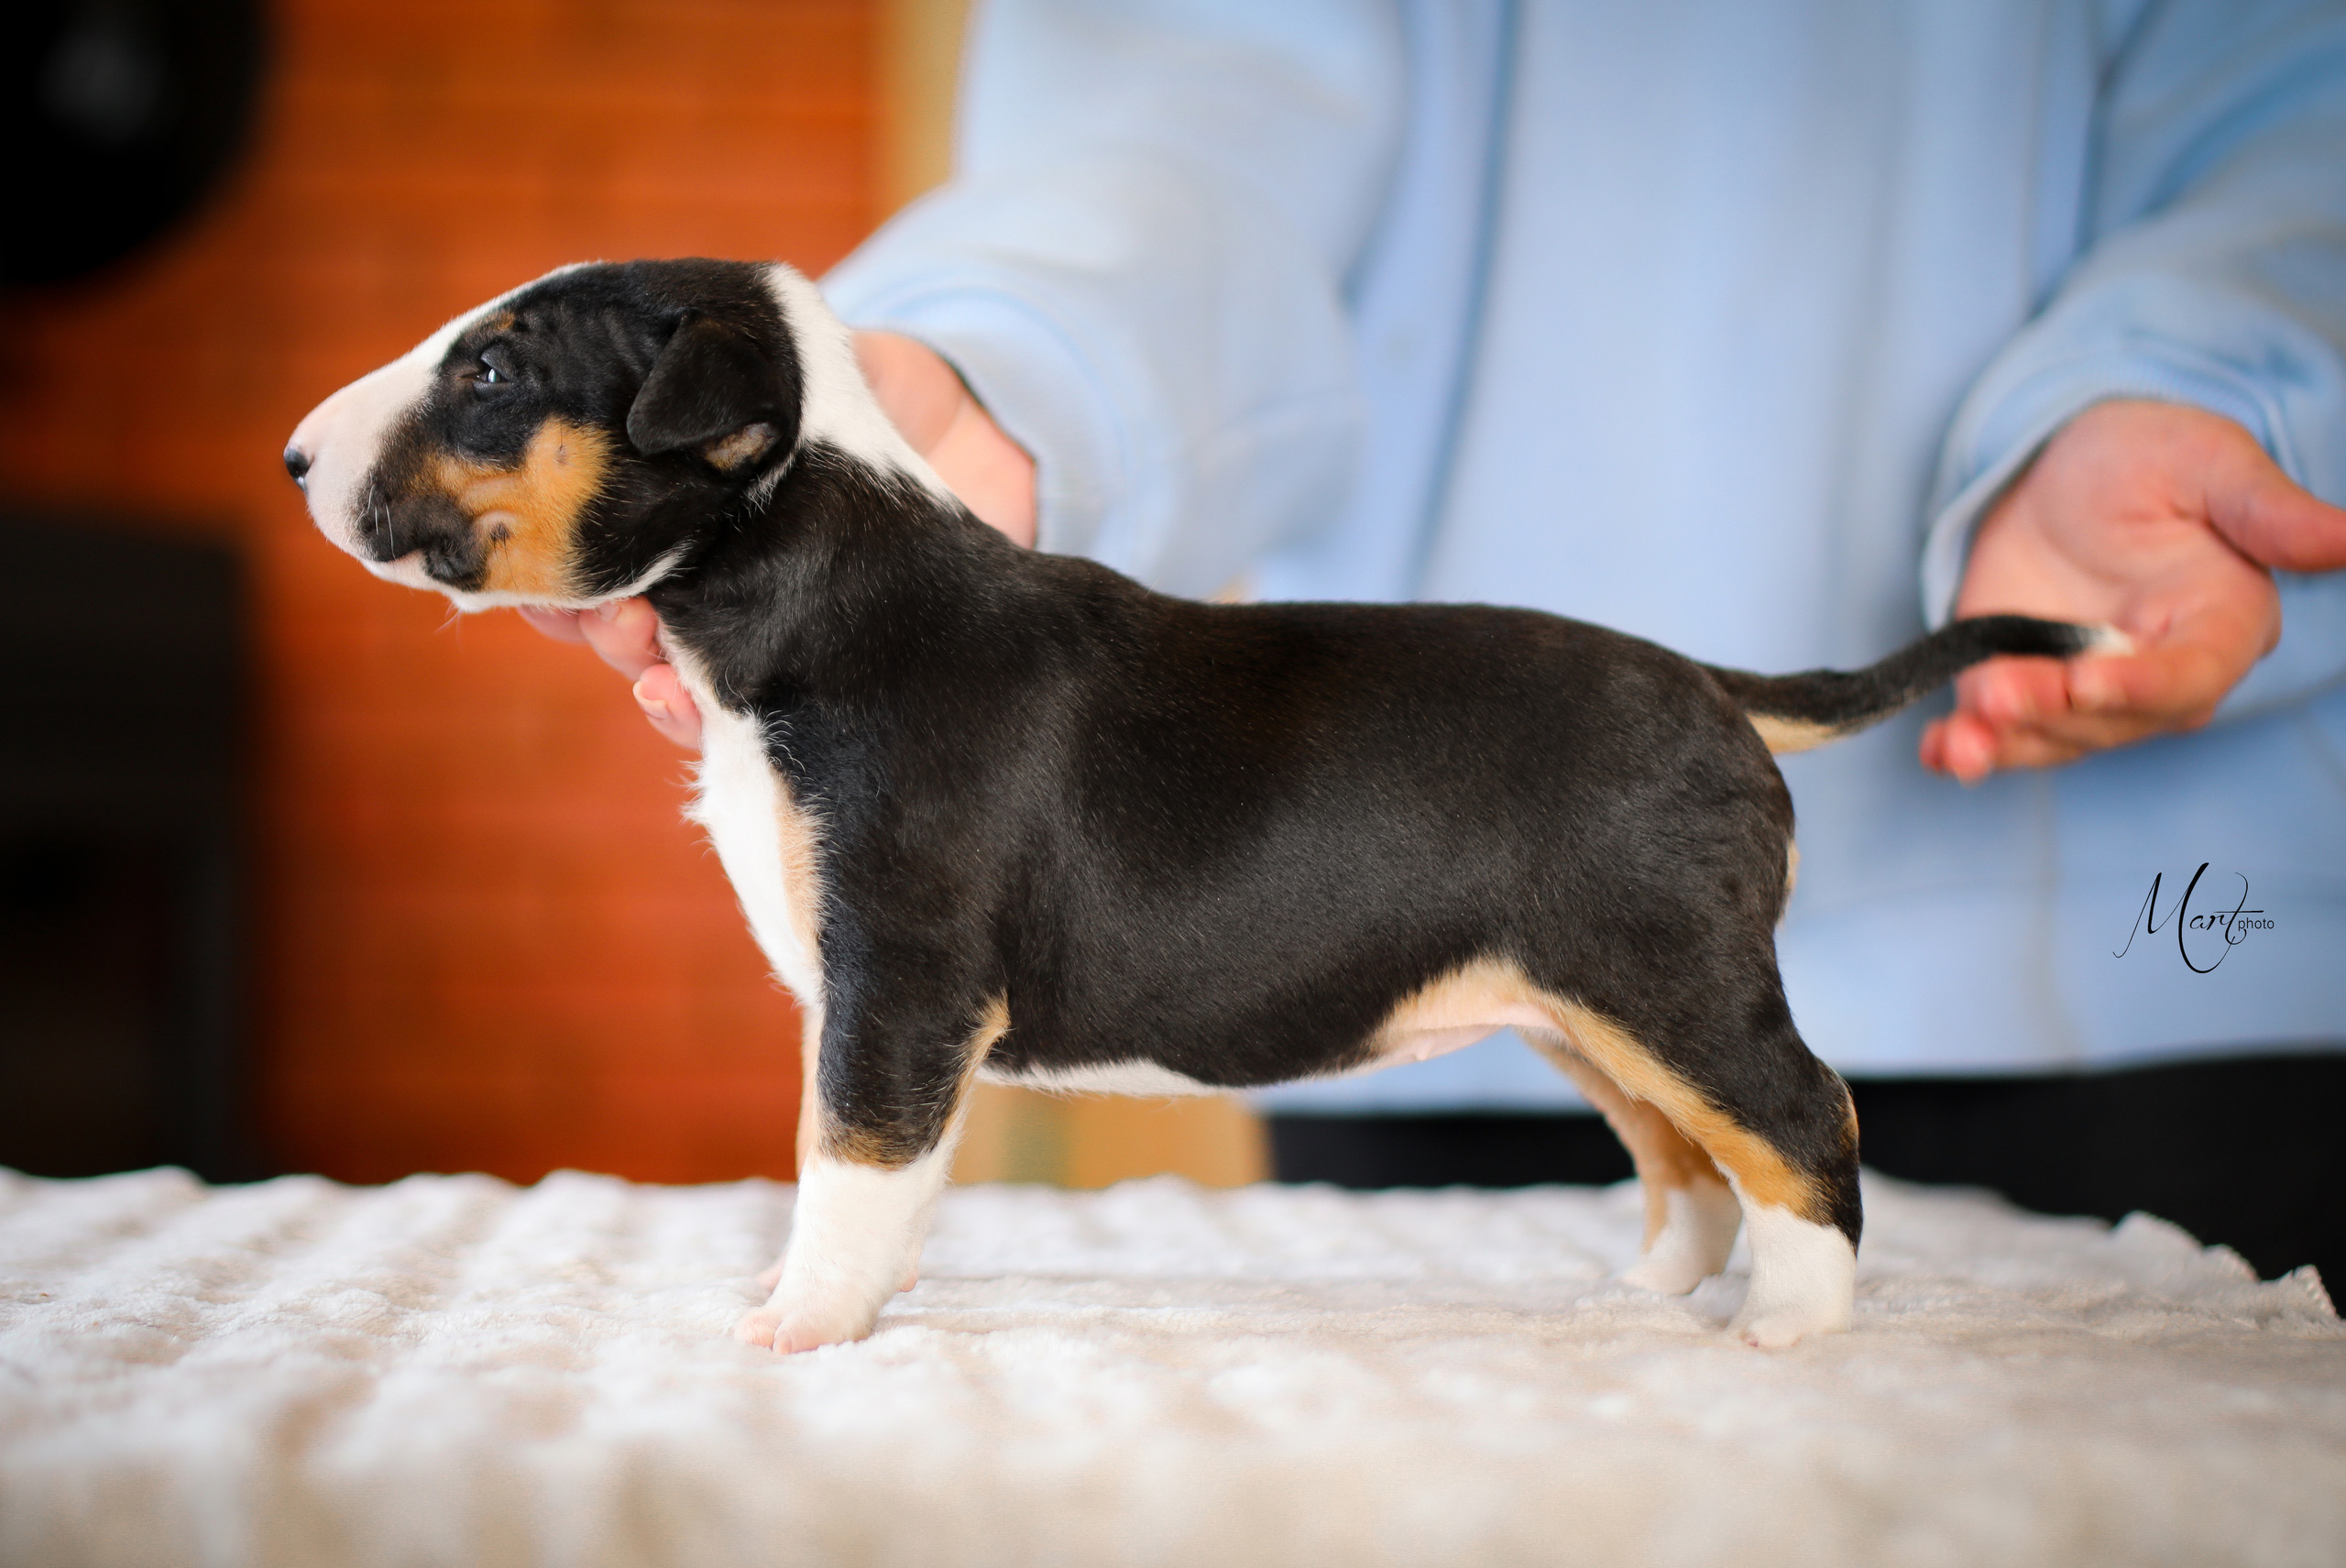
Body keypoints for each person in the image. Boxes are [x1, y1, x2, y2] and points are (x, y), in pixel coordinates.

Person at [533, 0, 2346, 1282]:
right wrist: (1010, 364)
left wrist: (2212, 372)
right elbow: (1181, 109)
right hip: (1346, 875)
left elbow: (2297, 95)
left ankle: (1790, 1219)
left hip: (2175, 934)